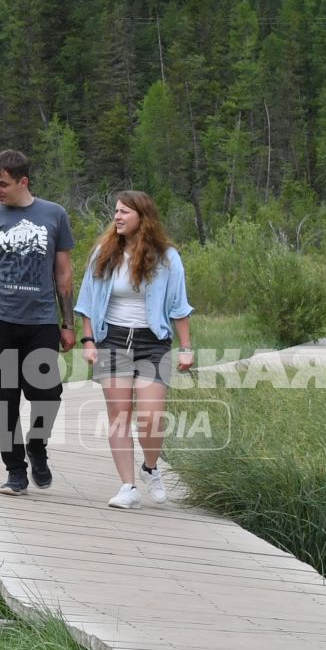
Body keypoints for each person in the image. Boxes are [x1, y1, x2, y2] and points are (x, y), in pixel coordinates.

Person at [0, 149, 75, 495]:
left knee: (48, 395)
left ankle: (37, 446)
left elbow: (64, 272)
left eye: (2, 184)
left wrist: (68, 323)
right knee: (5, 398)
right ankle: (15, 470)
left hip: (41, 321)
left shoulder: (54, 215)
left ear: (23, 182)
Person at [73, 190, 194, 509]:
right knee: (119, 415)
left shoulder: (167, 258)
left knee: (152, 418)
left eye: (125, 211)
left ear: (143, 216)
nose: (117, 216)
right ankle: (127, 486)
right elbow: (86, 302)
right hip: (111, 340)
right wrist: (88, 341)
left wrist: (186, 347)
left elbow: (180, 307)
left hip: (152, 343)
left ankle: (150, 468)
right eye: (116, 211)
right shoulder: (103, 252)